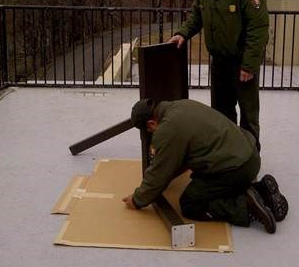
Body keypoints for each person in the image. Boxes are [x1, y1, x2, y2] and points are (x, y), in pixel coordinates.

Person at [123, 98, 288, 234]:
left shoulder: (167, 130)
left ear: (151, 124)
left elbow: (159, 174)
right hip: (250, 155)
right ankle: (262, 190)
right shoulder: (182, 105)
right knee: (209, 181)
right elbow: (179, 161)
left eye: (149, 131)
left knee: (190, 203)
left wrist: (137, 200)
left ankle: (245, 205)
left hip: (236, 168)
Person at [170, 0, 269, 151]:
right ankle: (226, 157)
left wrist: (249, 66)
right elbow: (197, 16)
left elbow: (258, 28)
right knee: (221, 114)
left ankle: (248, 161)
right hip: (219, 62)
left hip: (242, 62)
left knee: (248, 116)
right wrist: (182, 33)